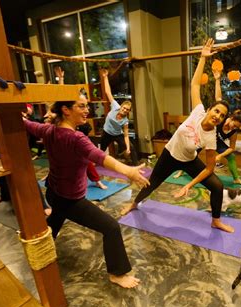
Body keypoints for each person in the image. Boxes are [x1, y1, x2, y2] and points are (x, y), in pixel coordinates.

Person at [24, 94, 150, 288]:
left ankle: (42, 249)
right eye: (81, 106)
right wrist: (128, 171)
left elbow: (28, 125)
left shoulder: (48, 130)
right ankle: (117, 274)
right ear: (66, 110)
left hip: (53, 193)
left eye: (87, 106)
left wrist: (17, 117)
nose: (87, 110)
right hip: (70, 199)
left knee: (55, 220)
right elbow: (99, 156)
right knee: (111, 227)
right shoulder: (76, 138)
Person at [122, 38, 234, 233]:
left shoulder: (210, 137)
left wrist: (188, 185)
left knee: (217, 186)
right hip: (169, 155)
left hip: (188, 160)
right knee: (152, 183)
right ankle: (134, 203)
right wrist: (202, 58)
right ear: (209, 110)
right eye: (216, 111)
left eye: (222, 115)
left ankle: (216, 220)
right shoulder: (198, 110)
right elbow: (195, 86)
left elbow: (209, 168)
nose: (218, 116)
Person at [174, 70, 241, 186]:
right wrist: (217, 79)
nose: (233, 127)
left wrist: (220, 155)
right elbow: (218, 98)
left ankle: (236, 178)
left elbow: (231, 148)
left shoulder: (233, 132)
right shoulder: (221, 117)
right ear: (232, 118)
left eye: (237, 127)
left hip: (216, 142)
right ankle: (181, 170)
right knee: (191, 151)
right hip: (205, 135)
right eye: (234, 124)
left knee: (231, 156)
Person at [99, 68, 139, 166]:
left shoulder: (125, 121)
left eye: (127, 110)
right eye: (124, 108)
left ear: (128, 111)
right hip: (106, 133)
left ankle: (136, 166)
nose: (125, 110)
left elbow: (125, 135)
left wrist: (128, 148)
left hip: (117, 134)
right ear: (121, 107)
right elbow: (108, 92)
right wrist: (105, 78)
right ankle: (96, 165)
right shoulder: (115, 106)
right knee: (101, 150)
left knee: (132, 148)